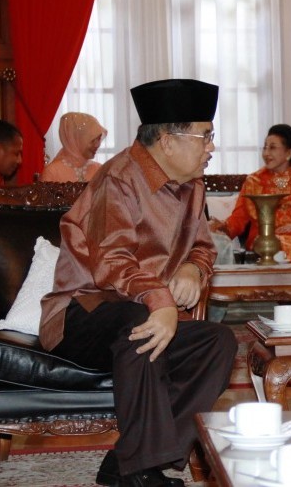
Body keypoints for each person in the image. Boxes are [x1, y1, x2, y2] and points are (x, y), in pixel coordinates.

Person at [39, 79, 238, 486]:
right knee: (138, 322)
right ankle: (139, 474)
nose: (211, 147)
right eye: (206, 136)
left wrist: (193, 269)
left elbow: (204, 246)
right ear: (167, 141)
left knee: (219, 342)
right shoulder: (119, 179)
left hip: (145, 313)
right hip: (82, 313)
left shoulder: (193, 186)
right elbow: (111, 261)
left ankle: (128, 461)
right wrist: (161, 300)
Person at [209, 124, 291, 263]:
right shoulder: (254, 181)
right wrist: (223, 227)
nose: (266, 153)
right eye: (265, 147)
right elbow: (239, 218)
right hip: (264, 240)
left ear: (289, 153)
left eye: (272, 147)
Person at [41, 112, 108, 182]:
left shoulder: (98, 169)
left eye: (98, 139)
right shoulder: (52, 172)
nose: (97, 145)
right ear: (76, 140)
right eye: (92, 141)